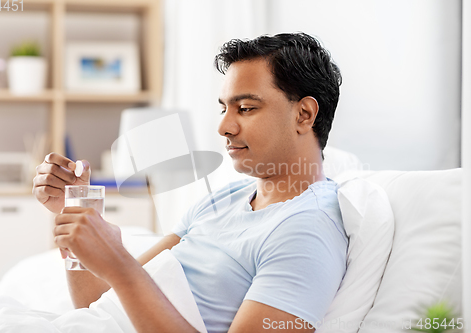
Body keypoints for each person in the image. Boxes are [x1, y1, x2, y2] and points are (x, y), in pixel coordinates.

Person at [33, 32, 347, 333]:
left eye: (246, 108)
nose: (224, 126)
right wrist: (77, 208)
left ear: (304, 114)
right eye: (223, 108)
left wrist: (117, 261)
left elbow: (123, 277)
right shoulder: (224, 199)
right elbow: (100, 304)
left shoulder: (307, 231)